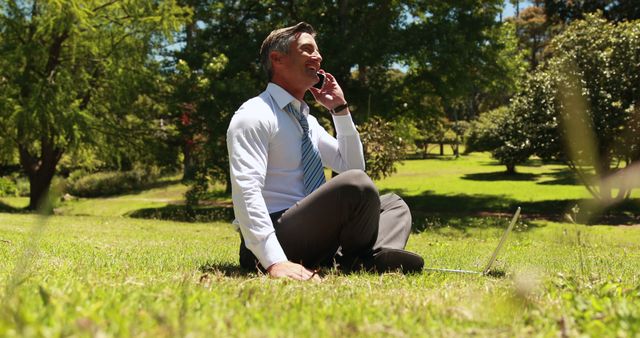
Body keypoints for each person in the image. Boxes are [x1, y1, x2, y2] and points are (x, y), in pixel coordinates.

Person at [227, 22, 423, 281]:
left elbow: (353, 167)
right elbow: (245, 192)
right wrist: (275, 262)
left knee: (393, 204)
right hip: (278, 234)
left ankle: (362, 259)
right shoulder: (254, 115)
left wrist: (340, 110)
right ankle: (364, 259)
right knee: (356, 185)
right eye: (307, 50)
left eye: (317, 51)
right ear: (278, 59)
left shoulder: (306, 120)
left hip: (313, 233)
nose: (318, 57)